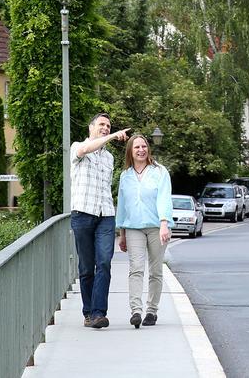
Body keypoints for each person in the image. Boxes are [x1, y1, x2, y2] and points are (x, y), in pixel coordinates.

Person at [70, 112, 129, 329]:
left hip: (105, 215)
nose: (105, 128)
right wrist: (113, 136)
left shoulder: (109, 158)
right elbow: (86, 149)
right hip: (82, 214)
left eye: (108, 125)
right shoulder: (78, 147)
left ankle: (98, 313)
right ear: (91, 127)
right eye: (102, 124)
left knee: (103, 262)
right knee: (86, 267)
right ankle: (88, 312)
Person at [116, 133, 173, 329]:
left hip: (157, 226)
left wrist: (164, 223)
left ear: (148, 149)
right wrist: (122, 233)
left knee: (156, 270)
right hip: (133, 227)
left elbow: (164, 197)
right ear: (130, 151)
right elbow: (122, 205)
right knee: (136, 268)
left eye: (144, 146)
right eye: (136, 147)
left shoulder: (159, 171)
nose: (141, 150)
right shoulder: (125, 176)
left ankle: (152, 310)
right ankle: (136, 311)